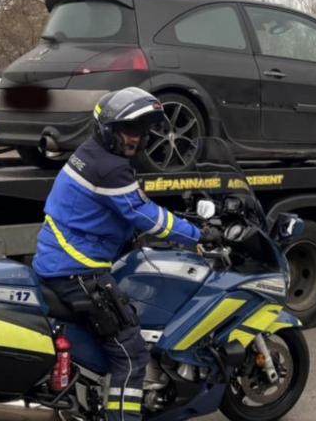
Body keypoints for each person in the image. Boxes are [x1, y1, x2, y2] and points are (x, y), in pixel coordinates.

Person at [33, 87, 206, 420]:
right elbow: (143, 215)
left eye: (141, 132)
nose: (136, 139)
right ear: (109, 129)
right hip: (78, 270)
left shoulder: (91, 152)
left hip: (60, 258)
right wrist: (195, 234)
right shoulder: (109, 167)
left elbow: (117, 208)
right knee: (131, 355)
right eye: (130, 130)